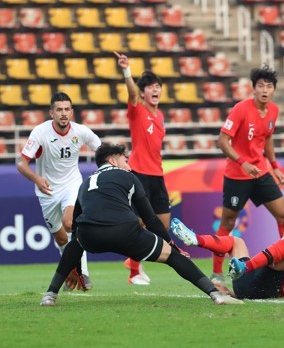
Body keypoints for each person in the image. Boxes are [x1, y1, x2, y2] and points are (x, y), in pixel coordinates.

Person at [40, 144, 243, 306]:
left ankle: (50, 294)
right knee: (173, 256)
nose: (129, 166)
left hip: (90, 236)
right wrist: (171, 244)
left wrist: (75, 263)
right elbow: (151, 219)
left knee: (75, 242)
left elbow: (75, 224)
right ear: (113, 160)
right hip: (124, 232)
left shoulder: (85, 183)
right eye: (126, 161)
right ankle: (215, 294)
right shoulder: (128, 176)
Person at [213, 65, 284, 286]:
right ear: (253, 89)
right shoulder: (240, 109)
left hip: (261, 173)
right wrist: (242, 163)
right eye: (260, 86)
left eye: (269, 86)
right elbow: (222, 141)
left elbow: (267, 138)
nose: (265, 90)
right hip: (238, 174)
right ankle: (217, 272)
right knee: (228, 220)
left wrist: (274, 166)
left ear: (273, 90)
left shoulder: (273, 110)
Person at [18, 92, 101, 290]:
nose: (63, 114)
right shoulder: (40, 132)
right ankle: (71, 268)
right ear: (51, 113)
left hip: (71, 185)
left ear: (72, 112)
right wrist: (36, 178)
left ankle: (83, 272)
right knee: (62, 238)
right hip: (46, 191)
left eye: (66, 110)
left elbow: (101, 149)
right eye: (59, 110)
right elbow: (22, 164)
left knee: (69, 223)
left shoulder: (81, 132)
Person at [114, 51, 178, 285]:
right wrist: (126, 70)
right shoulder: (137, 110)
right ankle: (133, 270)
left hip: (158, 175)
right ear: (143, 92)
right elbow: (131, 92)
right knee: (140, 222)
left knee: (163, 224)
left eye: (158, 86)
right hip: (139, 173)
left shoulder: (160, 115)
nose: (155, 90)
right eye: (150, 86)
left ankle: (133, 262)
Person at [171, 209, 284, 299]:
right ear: (283, 231)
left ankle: (244, 267)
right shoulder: (278, 248)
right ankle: (194, 239)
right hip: (250, 281)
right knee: (237, 241)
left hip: (272, 289)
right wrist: (233, 292)